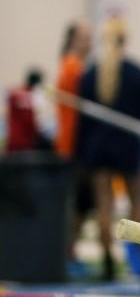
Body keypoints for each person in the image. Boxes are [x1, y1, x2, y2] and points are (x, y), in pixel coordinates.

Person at [76, 16, 140, 281]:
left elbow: (82, 119)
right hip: (128, 145)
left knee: (104, 207)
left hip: (99, 149)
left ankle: (108, 263)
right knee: (136, 205)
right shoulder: (136, 72)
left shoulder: (91, 73)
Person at [55, 19, 93, 276]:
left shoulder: (73, 66)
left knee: (81, 205)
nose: (89, 42)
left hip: (75, 144)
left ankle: (70, 253)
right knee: (77, 205)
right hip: (75, 146)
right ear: (74, 40)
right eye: (85, 37)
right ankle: (67, 255)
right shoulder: (73, 67)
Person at [4, 68, 49, 153]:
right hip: (27, 144)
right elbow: (31, 123)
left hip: (13, 142)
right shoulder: (32, 97)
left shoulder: (13, 93)